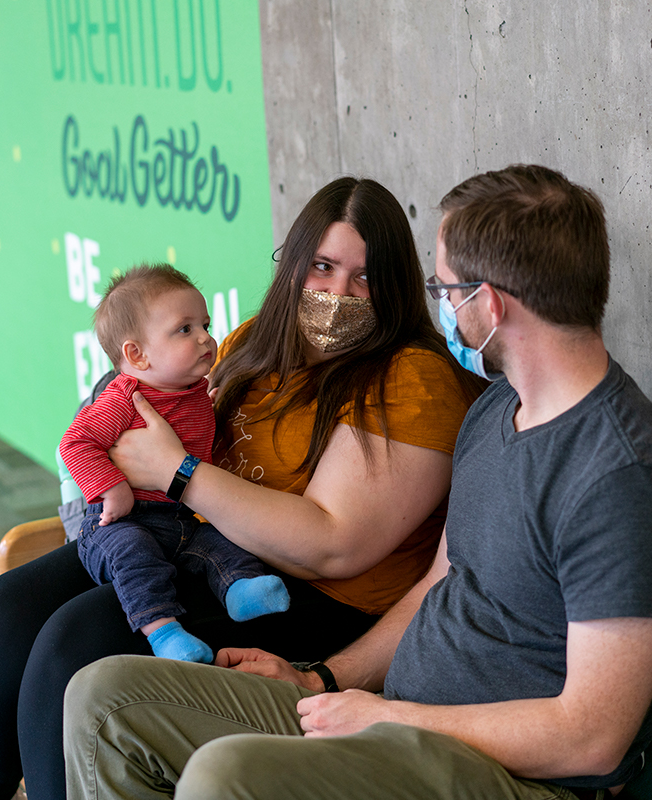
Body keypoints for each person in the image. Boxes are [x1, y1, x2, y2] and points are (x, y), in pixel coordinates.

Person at [62, 164, 652, 800]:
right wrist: (322, 680)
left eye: (444, 288)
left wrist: (390, 716)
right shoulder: (495, 411)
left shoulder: (614, 477)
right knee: (105, 703)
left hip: (503, 770)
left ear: (490, 303)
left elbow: (593, 737)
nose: (440, 306)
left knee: (222, 777)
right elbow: (438, 585)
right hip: (394, 718)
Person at [0, 176, 481, 800]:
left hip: (318, 596)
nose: (338, 292)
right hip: (195, 541)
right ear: (293, 264)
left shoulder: (413, 376)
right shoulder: (255, 340)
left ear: (396, 284)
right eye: (323, 267)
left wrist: (177, 472)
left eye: (364, 276)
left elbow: (336, 544)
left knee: (74, 647)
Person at [59, 264, 290, 664]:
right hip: (121, 522)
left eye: (205, 324)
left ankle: (242, 590)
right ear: (137, 354)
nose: (206, 337)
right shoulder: (124, 398)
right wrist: (111, 487)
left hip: (178, 518)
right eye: (185, 330)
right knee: (135, 559)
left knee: (222, 545)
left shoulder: (196, 394)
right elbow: (75, 443)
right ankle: (164, 632)